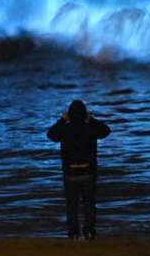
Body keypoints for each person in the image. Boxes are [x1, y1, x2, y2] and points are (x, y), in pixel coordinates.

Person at [47, 100, 111, 240]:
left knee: (72, 205)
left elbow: (51, 135)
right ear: (84, 114)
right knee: (89, 204)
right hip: (88, 172)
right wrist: (91, 119)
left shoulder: (65, 128)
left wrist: (62, 120)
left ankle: (73, 233)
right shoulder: (90, 128)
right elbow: (106, 130)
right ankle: (89, 231)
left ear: (69, 114)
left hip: (70, 173)